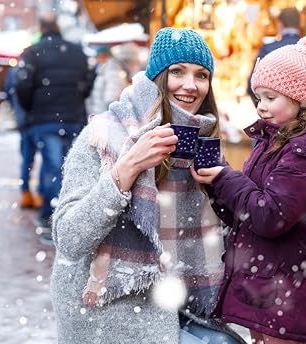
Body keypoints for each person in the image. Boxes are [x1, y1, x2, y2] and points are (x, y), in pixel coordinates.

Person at [50, 27, 245, 344]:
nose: (190, 85)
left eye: (201, 75)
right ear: (156, 77)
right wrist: (127, 168)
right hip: (110, 312)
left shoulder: (204, 143)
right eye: (177, 72)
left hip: (182, 305)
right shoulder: (105, 136)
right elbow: (69, 240)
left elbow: (236, 229)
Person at [191, 33, 306, 343]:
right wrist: (214, 185)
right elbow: (246, 212)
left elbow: (269, 216)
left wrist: (225, 179)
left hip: (286, 285)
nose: (261, 107)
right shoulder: (273, 141)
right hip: (266, 282)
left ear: (301, 98)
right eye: (258, 97)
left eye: (270, 97)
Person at [15, 13, 93, 244]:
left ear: (41, 28)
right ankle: (67, 218)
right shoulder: (77, 52)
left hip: (45, 119)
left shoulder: (32, 52)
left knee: (52, 169)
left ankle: (52, 220)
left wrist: (32, 109)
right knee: (73, 169)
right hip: (73, 118)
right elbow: (87, 83)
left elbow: (22, 85)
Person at [3, 66, 42, 210]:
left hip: (24, 119)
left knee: (27, 157)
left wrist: (17, 110)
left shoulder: (15, 71)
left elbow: (8, 92)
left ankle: (26, 192)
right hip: (36, 119)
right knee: (45, 159)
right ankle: (38, 194)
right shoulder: (37, 68)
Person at [246, 7, 301, 103]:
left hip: (275, 114)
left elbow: (252, 85)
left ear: (279, 23)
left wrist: (266, 108)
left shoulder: (268, 49)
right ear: (299, 24)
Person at [86, 46, 131, 117]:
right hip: (101, 113)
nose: (97, 59)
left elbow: (112, 91)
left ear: (105, 56)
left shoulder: (112, 68)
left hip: (105, 115)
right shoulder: (102, 68)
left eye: (99, 56)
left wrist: (109, 113)